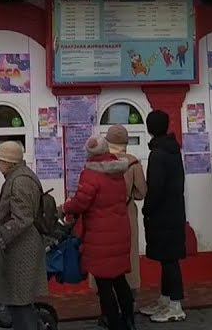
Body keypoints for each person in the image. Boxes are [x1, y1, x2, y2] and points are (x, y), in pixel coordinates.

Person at [63, 136, 136, 330]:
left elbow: (81, 203)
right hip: (119, 231)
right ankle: (129, 320)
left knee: (104, 284)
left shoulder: (90, 174)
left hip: (99, 234)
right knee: (119, 279)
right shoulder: (117, 171)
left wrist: (66, 206)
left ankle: (114, 323)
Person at [0, 141, 48, 330]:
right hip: (20, 247)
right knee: (19, 303)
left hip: (21, 250)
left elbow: (23, 218)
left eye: (0, 160)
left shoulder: (20, 181)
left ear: (9, 162)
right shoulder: (19, 176)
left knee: (20, 304)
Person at [140, 110, 188, 323]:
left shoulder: (158, 154)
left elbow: (155, 188)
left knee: (169, 261)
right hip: (174, 211)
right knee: (167, 259)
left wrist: (147, 209)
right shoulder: (172, 150)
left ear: (149, 128)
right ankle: (165, 299)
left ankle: (175, 306)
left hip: (163, 214)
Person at [106, 124, 146, 288]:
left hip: (104, 213)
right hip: (126, 212)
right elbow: (141, 192)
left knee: (105, 251)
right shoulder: (133, 163)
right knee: (128, 251)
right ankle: (130, 286)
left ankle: (105, 289)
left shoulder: (99, 162)